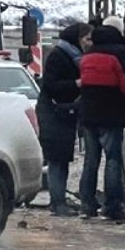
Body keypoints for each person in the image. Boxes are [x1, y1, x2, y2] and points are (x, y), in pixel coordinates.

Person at [78, 24, 125, 221]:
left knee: (90, 160)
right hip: (111, 115)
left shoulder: (86, 57)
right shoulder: (120, 54)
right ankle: (112, 206)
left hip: (88, 116)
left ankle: (87, 205)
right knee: (113, 160)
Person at [36, 22, 92, 216]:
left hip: (65, 112)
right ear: (76, 39)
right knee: (57, 159)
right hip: (53, 113)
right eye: (86, 38)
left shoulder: (73, 56)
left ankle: (59, 201)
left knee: (62, 158)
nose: (88, 43)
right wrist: (76, 83)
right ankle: (57, 202)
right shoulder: (59, 56)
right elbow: (51, 85)